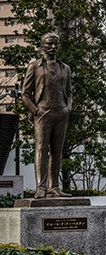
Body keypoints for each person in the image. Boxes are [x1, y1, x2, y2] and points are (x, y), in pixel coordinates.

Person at [22, 33, 73, 198]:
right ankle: (41, 187)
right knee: (41, 149)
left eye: (56, 44)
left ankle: (54, 187)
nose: (53, 47)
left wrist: (68, 108)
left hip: (61, 112)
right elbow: (25, 94)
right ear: (42, 45)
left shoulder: (65, 68)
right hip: (43, 112)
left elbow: (70, 93)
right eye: (49, 44)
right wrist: (35, 111)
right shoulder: (34, 67)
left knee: (57, 151)